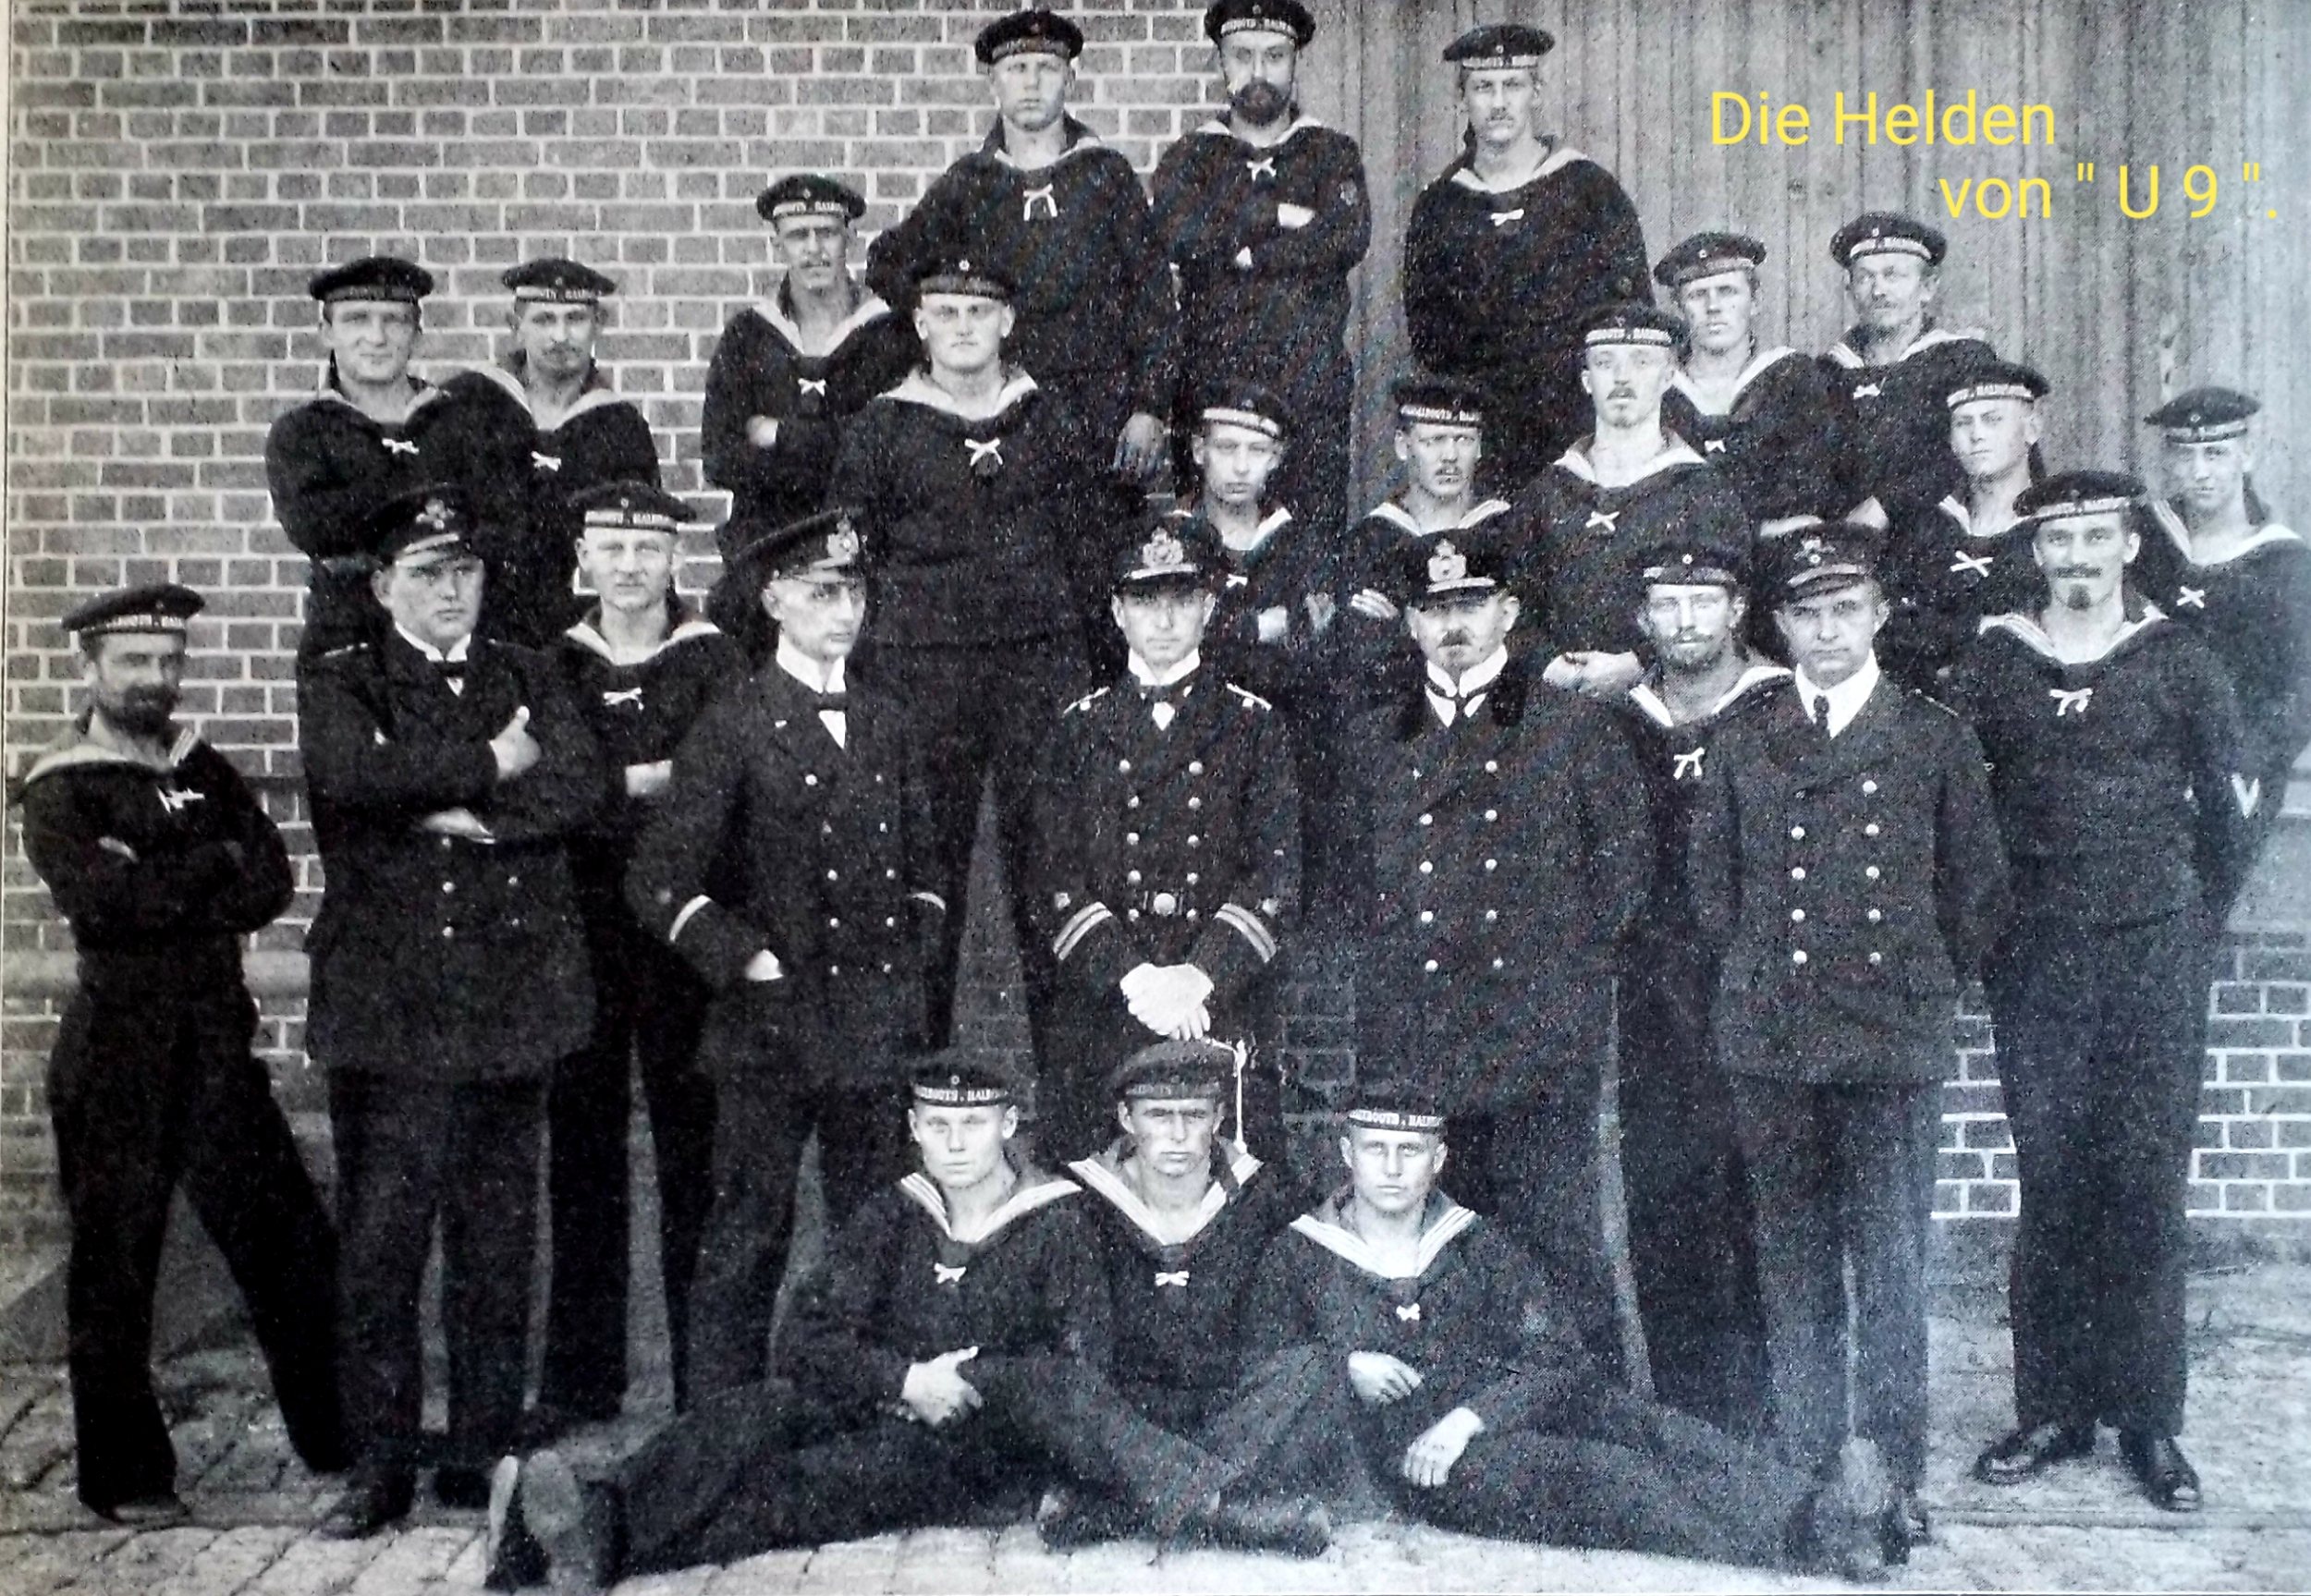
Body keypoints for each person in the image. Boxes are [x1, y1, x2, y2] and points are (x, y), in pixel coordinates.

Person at [484, 1059, 1325, 1590]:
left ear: (1008, 1126)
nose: (956, 1144)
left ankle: (584, 1540)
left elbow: (1079, 1366)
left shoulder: (1057, 1221)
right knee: (750, 1414)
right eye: (938, 1126)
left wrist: (964, 1382)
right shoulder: (892, 1215)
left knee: (801, 1488)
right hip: (885, 1399)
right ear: (915, 1129)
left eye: (974, 1125)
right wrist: (903, 1379)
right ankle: (584, 1527)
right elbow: (805, 1340)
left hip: (976, 1439)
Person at [1687, 522, 2012, 1547]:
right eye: (1807, 614)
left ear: (1878, 616)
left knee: (1890, 1267)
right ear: (1779, 627)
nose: (1827, 631)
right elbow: (1713, 891)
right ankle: (1808, 1465)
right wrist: (1766, 979)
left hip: (1888, 1042)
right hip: (1775, 1039)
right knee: (1791, 1265)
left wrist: (1917, 987)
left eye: (1845, 610)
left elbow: (1975, 889)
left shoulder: (1932, 735)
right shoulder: (1746, 735)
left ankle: (1893, 1470)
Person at [1241, 1082, 1902, 1580]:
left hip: (1485, 1415)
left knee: (1648, 1427)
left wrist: (1472, 1415)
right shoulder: (1300, 1255)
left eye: (1409, 1151)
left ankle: (1830, 1506)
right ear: (1346, 1153)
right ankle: (1808, 1542)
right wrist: (1340, 1365)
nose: (1391, 1168)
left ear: (1438, 1158)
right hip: (1420, 1456)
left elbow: (1556, 1353)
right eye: (1375, 1149)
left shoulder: (1473, 1243)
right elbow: (1258, 1376)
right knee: (1606, 1475)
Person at [298, 486, 606, 1536]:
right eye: (426, 573)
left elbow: (579, 785)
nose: (448, 590)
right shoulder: (343, 677)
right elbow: (351, 777)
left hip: (510, 1000)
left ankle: (480, 1450)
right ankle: (380, 1464)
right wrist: (491, 762)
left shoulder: (528, 671)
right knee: (383, 1246)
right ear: (385, 585)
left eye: (463, 571)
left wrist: (464, 813)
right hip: (391, 1011)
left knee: (497, 1238)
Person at [1951, 470, 2259, 1513]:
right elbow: (1960, 808)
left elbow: (2232, 809)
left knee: (2143, 1181)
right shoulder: (1994, 664)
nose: (2076, 557)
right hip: (2037, 956)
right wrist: (1994, 930)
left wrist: (2184, 915)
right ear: (2035, 552)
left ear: (2129, 545)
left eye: (2095, 537)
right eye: (2058, 540)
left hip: (2152, 954)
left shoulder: (2179, 659)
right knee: (2050, 1177)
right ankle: (2052, 1408)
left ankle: (2147, 1419)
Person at [13, 584, 348, 1525]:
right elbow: (106, 902)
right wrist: (207, 863)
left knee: (291, 1245)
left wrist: (162, 867)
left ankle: (340, 1436)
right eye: (133, 661)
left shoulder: (204, 766)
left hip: (215, 1046)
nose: (154, 679)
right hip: (117, 1052)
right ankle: (126, 1476)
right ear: (90, 666)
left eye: (167, 661)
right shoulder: (61, 784)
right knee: (116, 1266)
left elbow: (270, 878)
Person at [623, 506, 947, 1399]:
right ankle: (719, 1421)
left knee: (874, 1229)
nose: (844, 612)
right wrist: (744, 958)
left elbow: (926, 869)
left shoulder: (887, 720)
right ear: (773, 601)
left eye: (855, 593)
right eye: (822, 593)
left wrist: (908, 954)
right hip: (771, 1028)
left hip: (871, 1026)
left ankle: (860, 1409)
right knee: (748, 1229)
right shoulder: (734, 721)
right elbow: (656, 877)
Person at [1344, 529, 1652, 1375]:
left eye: (1472, 605)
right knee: (1439, 1240)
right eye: (1435, 608)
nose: (1454, 626)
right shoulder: (1374, 740)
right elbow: (1350, 884)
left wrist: (1559, 980)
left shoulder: (1573, 727)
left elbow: (1623, 876)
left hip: (1536, 1037)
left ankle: (1589, 1409)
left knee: (1555, 1235)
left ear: (1509, 613)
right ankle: (1456, 1410)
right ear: (1410, 623)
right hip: (1419, 1032)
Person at [825, 251, 1101, 1049]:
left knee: (1053, 871)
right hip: (922, 674)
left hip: (1037, 671)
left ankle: (1068, 1098)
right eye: (945, 313)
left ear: (1007, 320)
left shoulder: (1051, 422)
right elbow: (853, 564)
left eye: (979, 312)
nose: (963, 328)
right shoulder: (881, 428)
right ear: (919, 324)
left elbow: (1087, 555)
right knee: (925, 873)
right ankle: (922, 1086)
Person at [865, 5, 1177, 663]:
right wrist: (957, 338)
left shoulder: (1106, 177)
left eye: (1045, 68)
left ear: (1070, 79)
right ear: (993, 83)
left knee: (1102, 587)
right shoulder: (970, 183)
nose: (1030, 82)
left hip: (1099, 418)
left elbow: (1154, 300)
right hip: (1010, 419)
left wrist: (1149, 406)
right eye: (1015, 69)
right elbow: (888, 264)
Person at [538, 482, 743, 1428]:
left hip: (681, 930)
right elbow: (554, 788)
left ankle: (704, 1381)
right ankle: (583, 1379)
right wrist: (642, 777)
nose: (628, 567)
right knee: (582, 1146)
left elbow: (718, 781)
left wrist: (608, 781)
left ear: (673, 559)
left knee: (691, 1147)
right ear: (584, 557)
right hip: (580, 929)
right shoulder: (553, 664)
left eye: (647, 549)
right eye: (611, 549)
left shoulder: (713, 659)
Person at [1027, 518, 1301, 1162]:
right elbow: (1052, 877)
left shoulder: (1255, 726)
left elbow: (1276, 874)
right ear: (1118, 613)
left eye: (1181, 599)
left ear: (1209, 607)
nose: (1165, 619)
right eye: (1147, 601)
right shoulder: (1077, 730)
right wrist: (1136, 980)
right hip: (1108, 1001)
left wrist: (1198, 977)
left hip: (1215, 1003)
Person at [1036, 1039, 1344, 1550]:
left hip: (1226, 1406)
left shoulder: (1264, 1194)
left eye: (1194, 1115)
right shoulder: (1081, 1200)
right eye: (1158, 1115)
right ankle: (1223, 1511)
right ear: (1126, 1118)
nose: (1178, 1135)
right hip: (1126, 1409)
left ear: (1219, 1117)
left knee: (1311, 1365)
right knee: (1052, 1377)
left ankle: (1133, 1501)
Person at [1613, 542, 1782, 1433]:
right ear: (1643, 619)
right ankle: (1684, 1411)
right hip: (1652, 987)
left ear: (1737, 610)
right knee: (1666, 1184)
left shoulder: (1779, 707)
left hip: (1762, 978)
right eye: (1667, 604)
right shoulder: (1619, 721)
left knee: (1761, 1186)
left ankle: (1765, 1408)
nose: (1685, 621)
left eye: (1703, 601)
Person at [1153, 0, 1370, 540]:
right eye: (1242, 56)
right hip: (1213, 382)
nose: (1258, 71)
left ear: (1295, 62)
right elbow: (1180, 236)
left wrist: (1243, 248)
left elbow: (1344, 239)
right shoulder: (1190, 157)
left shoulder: (1331, 153)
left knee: (1310, 543)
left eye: (1274, 56)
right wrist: (1277, 217)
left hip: (1306, 386)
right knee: (1210, 541)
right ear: (1221, 62)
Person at [1402, 23, 1648, 489]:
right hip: (1481, 441)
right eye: (1483, 87)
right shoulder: (1440, 206)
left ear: (1537, 91)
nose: (1498, 103)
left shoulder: (1590, 192)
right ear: (1461, 98)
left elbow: (1630, 322)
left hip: (1577, 433)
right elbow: (1428, 341)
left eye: (1512, 85)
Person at [264, 257, 532, 662]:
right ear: (326, 332)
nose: (376, 337)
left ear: (417, 334)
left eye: (394, 320)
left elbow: (499, 524)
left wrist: (369, 512)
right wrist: (434, 502)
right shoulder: (302, 431)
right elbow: (315, 529)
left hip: (453, 642)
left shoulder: (465, 422)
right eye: (357, 319)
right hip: (347, 640)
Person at [700, 175, 917, 655]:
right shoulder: (748, 337)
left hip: (862, 553)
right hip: (767, 553)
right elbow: (720, 458)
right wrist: (837, 448)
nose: (814, 250)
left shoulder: (889, 338)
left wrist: (779, 436)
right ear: (776, 245)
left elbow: (891, 453)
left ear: (850, 239)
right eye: (799, 236)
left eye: (828, 233)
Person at [1500, 301, 1750, 701]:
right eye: (1605, 363)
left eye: (1641, 362)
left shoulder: (1704, 491)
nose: (1621, 377)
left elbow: (1732, 612)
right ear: (1586, 380)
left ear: (1669, 376)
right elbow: (1511, 605)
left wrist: (1638, 663)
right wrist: (1548, 664)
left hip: (1667, 702)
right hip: (1556, 703)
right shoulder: (1546, 492)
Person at [2136, 386, 2311, 863]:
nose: (2200, 472)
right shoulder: (2143, 543)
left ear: (2246, 455)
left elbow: (2301, 689)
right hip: (2142, 759)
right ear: (2168, 460)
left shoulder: (2284, 564)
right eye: (2185, 454)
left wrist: (2251, 755)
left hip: (2235, 767)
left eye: (2216, 454)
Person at [470, 258, 661, 649]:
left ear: (599, 324)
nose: (560, 336)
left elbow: (641, 537)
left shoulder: (619, 426)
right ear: (515, 325)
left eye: (575, 319)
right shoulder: (471, 404)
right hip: (473, 624)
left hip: (573, 632)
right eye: (544, 320)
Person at [1655, 232, 1846, 533]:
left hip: (1776, 549)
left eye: (1728, 291)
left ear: (1755, 302)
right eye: (1697, 295)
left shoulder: (1791, 377)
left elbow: (1809, 488)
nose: (1713, 307)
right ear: (1679, 308)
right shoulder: (1660, 388)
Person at [1877, 359, 2049, 693]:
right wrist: (1980, 626)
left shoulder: (2056, 528)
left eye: (1992, 420)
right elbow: (1888, 627)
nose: (1977, 435)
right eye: (1963, 423)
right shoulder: (1923, 527)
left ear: (2032, 429)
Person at [1333, 376, 1511, 689]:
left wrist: (1401, 629)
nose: (1450, 456)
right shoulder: (1370, 541)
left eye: (1464, 440)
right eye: (1434, 440)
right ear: (1403, 446)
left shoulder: (1506, 528)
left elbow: (1523, 636)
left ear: (1480, 447)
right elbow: (1363, 654)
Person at [1816, 213, 1995, 523]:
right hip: (1845, 537)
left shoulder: (1962, 361)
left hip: (1941, 534)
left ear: (1927, 288)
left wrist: (1887, 504)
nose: (1878, 291)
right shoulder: (1826, 373)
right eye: (1865, 278)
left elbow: (1976, 456)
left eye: (1893, 275)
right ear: (1850, 290)